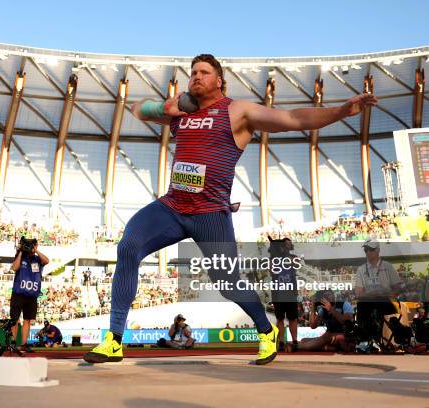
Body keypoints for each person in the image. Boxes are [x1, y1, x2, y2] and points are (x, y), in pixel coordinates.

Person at [83, 53, 377, 365]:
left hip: (210, 214)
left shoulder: (237, 111)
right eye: (193, 72)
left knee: (228, 282)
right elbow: (136, 109)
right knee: (128, 245)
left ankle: (265, 331)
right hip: (172, 206)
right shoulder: (182, 111)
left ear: (219, 80)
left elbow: (293, 119)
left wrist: (343, 110)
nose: (196, 76)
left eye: (204, 72)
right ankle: (114, 340)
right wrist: (167, 106)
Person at [9, 237, 49, 353]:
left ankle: (24, 344)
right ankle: (14, 342)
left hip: (32, 295)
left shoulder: (38, 259)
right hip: (19, 293)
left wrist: (36, 250)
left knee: (27, 320)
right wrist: (21, 251)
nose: (30, 248)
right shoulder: (21, 257)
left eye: (32, 245)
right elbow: (14, 268)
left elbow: (47, 261)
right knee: (15, 319)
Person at [269, 238, 299, 352]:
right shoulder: (273, 259)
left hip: (290, 292)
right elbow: (272, 271)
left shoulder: (293, 257)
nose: (289, 245)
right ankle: (281, 342)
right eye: (287, 244)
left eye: (289, 244)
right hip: (278, 293)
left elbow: (295, 264)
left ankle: (295, 341)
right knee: (279, 318)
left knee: (293, 318)